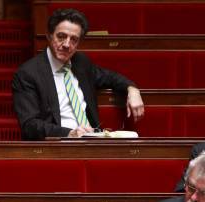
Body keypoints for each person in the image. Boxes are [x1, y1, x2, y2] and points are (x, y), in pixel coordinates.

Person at [12, 8, 144, 140]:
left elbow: (111, 77)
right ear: (49, 35)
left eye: (74, 39)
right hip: (55, 146)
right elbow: (29, 125)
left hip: (91, 141)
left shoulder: (82, 62)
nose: (67, 44)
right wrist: (69, 133)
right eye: (61, 36)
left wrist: (132, 89)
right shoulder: (28, 73)